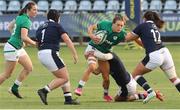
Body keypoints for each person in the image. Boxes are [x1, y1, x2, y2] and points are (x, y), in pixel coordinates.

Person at [125, 11, 180, 104]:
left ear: (144, 18)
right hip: (165, 52)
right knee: (174, 79)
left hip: (155, 55)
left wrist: (125, 27)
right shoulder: (154, 27)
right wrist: (135, 38)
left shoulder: (142, 26)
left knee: (135, 74)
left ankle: (150, 92)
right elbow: (145, 45)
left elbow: (127, 38)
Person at [74, 14, 128, 101]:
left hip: (103, 53)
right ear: (112, 23)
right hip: (93, 49)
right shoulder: (104, 24)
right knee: (92, 67)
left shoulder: (122, 34)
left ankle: (105, 94)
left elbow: (134, 37)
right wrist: (91, 35)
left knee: (105, 77)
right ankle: (79, 88)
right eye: (118, 25)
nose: (120, 27)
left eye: (122, 25)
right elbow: (91, 27)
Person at [36, 9, 79, 105]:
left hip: (41, 53)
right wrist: (74, 54)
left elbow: (37, 43)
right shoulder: (56, 25)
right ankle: (44, 90)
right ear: (57, 18)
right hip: (50, 53)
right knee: (64, 77)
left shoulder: (40, 27)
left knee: (63, 75)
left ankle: (68, 99)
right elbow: (67, 39)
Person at [0, 2, 37, 99]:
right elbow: (24, 37)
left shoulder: (19, 17)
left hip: (18, 48)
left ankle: (14, 88)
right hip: (12, 49)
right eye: (34, 10)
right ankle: (14, 88)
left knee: (29, 68)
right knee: (7, 74)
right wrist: (35, 44)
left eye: (36, 10)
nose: (36, 12)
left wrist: (18, 39)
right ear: (28, 10)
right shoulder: (26, 21)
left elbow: (10, 27)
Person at [94, 52, 163, 102]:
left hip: (127, 85)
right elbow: (96, 72)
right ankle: (152, 92)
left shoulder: (107, 58)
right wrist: (91, 63)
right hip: (130, 80)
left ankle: (142, 95)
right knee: (129, 94)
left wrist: (105, 94)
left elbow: (106, 79)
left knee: (120, 99)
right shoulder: (106, 60)